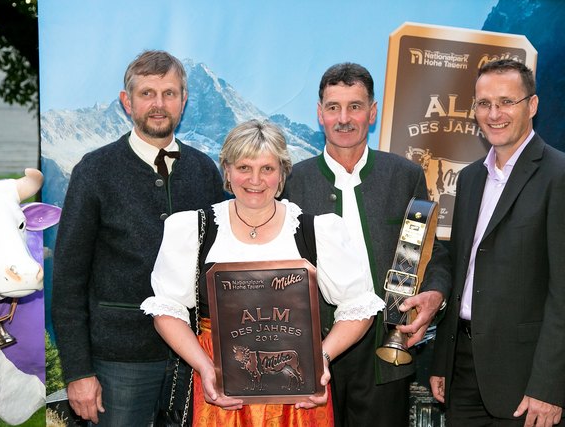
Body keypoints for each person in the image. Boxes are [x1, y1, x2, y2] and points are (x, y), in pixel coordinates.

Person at [141, 119, 385, 426]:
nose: (255, 180)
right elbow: (168, 310)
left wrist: (318, 360)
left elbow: (358, 306)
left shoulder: (315, 230)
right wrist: (205, 368)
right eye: (244, 167)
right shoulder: (194, 229)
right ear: (227, 170)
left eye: (267, 169)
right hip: (219, 388)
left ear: (282, 172)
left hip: (297, 397)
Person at [51, 50, 224, 426]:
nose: (158, 105)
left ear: (184, 100)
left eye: (169, 93)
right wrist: (78, 372)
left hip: (194, 358)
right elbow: (68, 281)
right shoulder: (94, 171)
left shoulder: (204, 170)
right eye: (147, 93)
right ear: (126, 102)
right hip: (117, 362)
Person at [283, 62, 452, 427]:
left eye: (355, 106)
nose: (344, 119)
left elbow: (430, 253)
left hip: (385, 347)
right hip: (313, 349)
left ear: (372, 113)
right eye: (333, 107)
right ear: (319, 113)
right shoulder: (293, 181)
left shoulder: (404, 175)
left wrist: (435, 294)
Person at [430, 59, 565, 426]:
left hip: (526, 383)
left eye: (506, 102)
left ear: (532, 106)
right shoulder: (472, 178)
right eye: (484, 103)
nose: (493, 114)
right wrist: (443, 360)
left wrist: (550, 386)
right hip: (463, 373)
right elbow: (461, 271)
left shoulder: (558, 176)